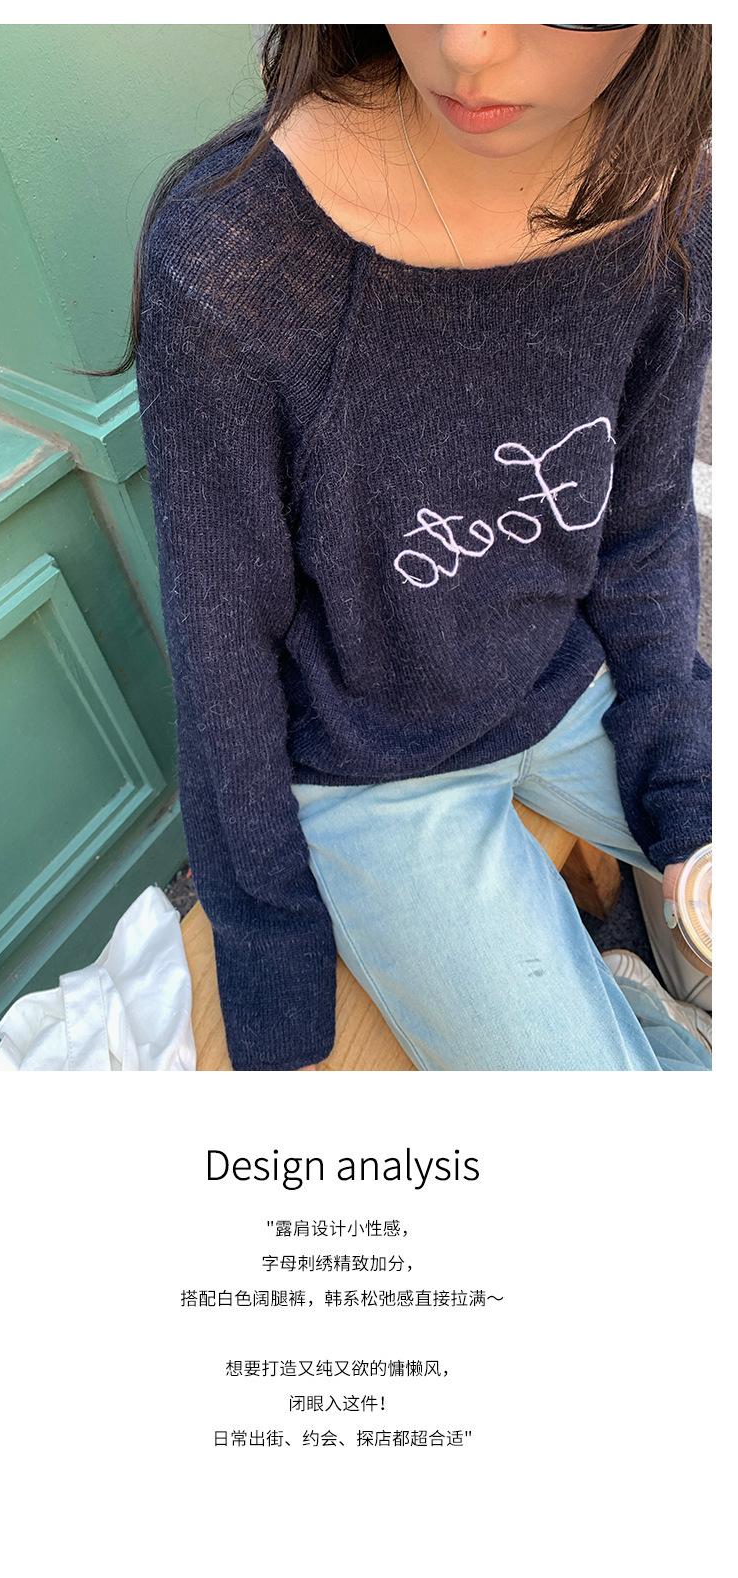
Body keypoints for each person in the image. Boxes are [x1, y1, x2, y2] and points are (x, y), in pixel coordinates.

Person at [128, 23, 712, 1071]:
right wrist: (273, 971)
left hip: (572, 680)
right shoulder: (232, 257)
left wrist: (689, 793)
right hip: (375, 769)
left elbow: (642, 524)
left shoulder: (668, 196)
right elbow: (222, 650)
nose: (469, 44)